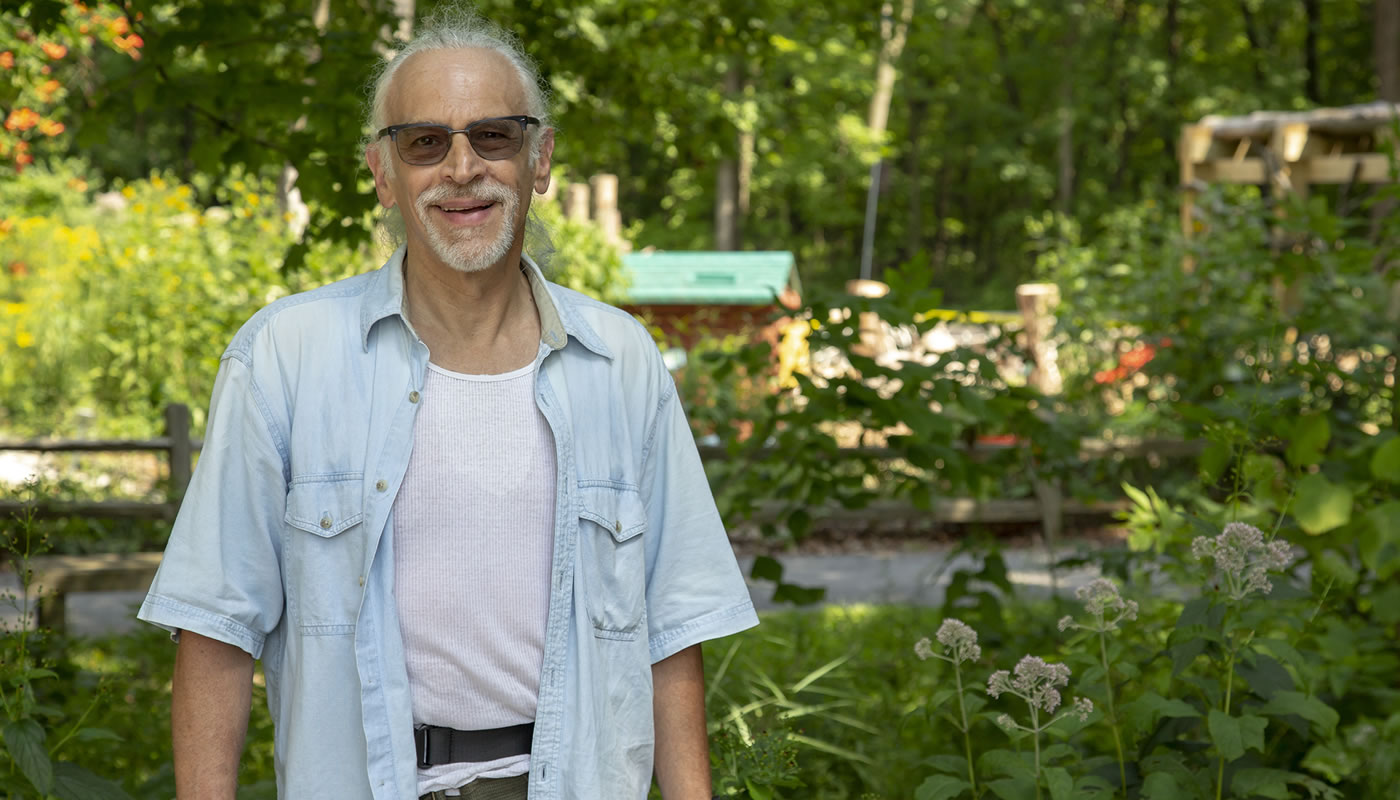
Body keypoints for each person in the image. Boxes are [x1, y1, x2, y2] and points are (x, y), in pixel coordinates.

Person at [136, 8, 758, 799]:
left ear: (540, 158)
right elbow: (216, 629)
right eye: (425, 142)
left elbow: (671, 634)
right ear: (382, 172)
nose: (462, 167)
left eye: (493, 136)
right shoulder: (285, 358)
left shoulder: (621, 363)